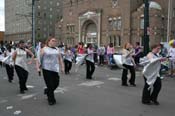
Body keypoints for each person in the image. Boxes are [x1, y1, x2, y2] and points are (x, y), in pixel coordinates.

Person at [39, 37, 64, 105]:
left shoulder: (57, 49)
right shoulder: (44, 49)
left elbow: (60, 58)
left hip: (55, 69)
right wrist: (38, 67)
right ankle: (51, 100)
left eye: (55, 41)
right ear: (48, 41)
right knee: (50, 85)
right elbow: (39, 59)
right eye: (53, 41)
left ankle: (47, 91)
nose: (54, 42)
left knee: (56, 83)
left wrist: (62, 67)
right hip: (46, 69)